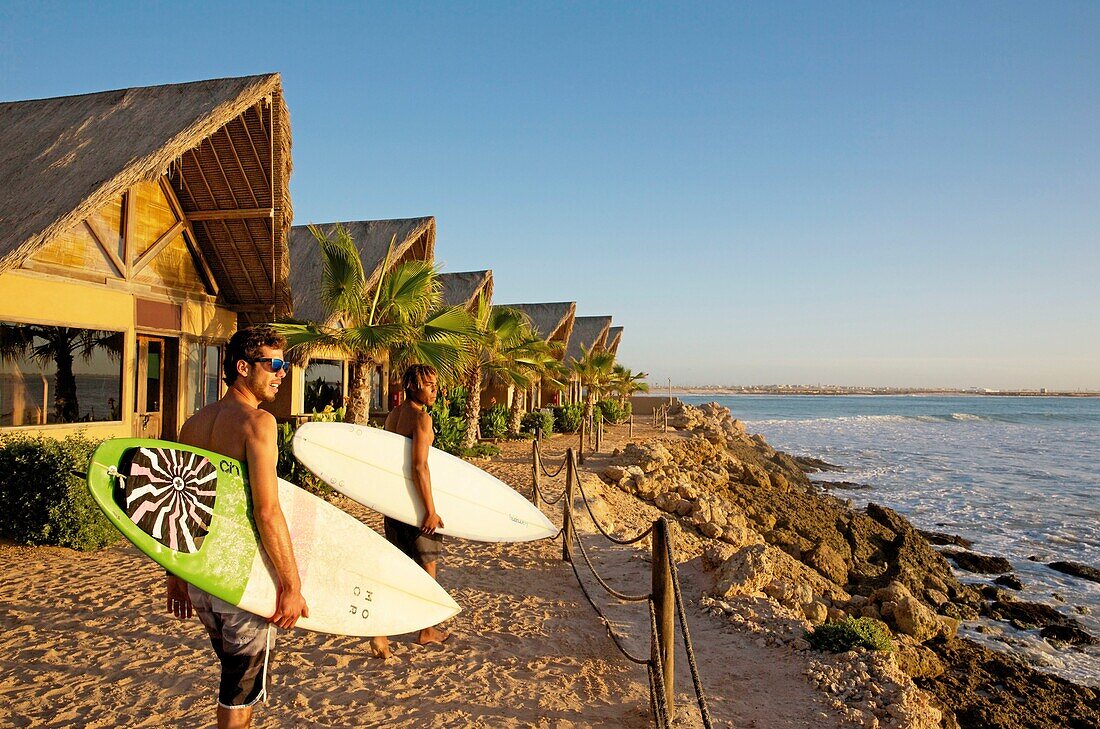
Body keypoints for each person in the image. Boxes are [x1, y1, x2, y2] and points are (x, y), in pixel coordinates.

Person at [166, 325, 308, 729]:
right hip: (242, 580)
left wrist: (175, 575)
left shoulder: (193, 425)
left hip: (202, 578)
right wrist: (292, 586)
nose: (283, 373)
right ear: (243, 367)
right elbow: (268, 512)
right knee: (237, 696)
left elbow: (178, 505)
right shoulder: (258, 423)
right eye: (275, 364)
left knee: (233, 681)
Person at [370, 364, 450, 658]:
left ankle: (379, 631)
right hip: (415, 505)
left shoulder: (393, 415)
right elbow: (419, 466)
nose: (435, 391)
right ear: (413, 387)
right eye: (429, 386)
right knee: (427, 568)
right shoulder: (421, 418)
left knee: (396, 569)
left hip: (395, 504)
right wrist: (430, 509)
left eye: (436, 385)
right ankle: (427, 630)